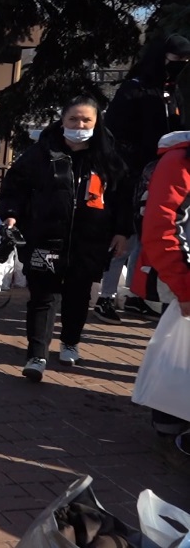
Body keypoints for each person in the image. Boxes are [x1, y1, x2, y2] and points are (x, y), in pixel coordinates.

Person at [0, 96, 130, 382]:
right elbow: (14, 187)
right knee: (42, 297)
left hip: (89, 242)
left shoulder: (108, 158)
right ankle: (36, 355)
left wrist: (122, 231)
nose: (79, 125)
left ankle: (70, 342)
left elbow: (122, 199)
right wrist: (11, 215)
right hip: (45, 238)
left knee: (78, 296)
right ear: (62, 120)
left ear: (97, 123)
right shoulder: (41, 153)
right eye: (73, 119)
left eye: (86, 120)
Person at [95, 33, 190, 323]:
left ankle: (137, 295)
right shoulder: (134, 89)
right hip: (131, 173)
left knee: (147, 238)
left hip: (160, 171)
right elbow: (114, 132)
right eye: (176, 60)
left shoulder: (175, 92)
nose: (180, 66)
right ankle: (106, 296)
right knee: (124, 234)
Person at [138, 128, 190, 436]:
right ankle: (172, 427)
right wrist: (184, 287)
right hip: (184, 279)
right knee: (179, 359)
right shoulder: (179, 161)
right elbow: (162, 229)